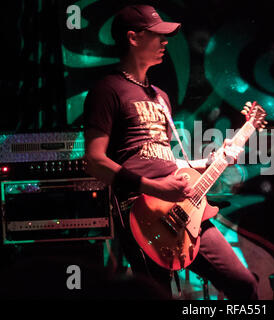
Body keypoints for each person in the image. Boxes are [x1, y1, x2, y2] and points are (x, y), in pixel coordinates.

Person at [83, 4, 258, 299]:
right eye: (157, 35)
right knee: (157, 295)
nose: (165, 42)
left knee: (245, 285)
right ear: (133, 38)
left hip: (186, 210)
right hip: (143, 211)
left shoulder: (160, 96)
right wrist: (155, 188)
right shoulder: (107, 89)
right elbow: (95, 160)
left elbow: (159, 156)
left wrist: (208, 161)